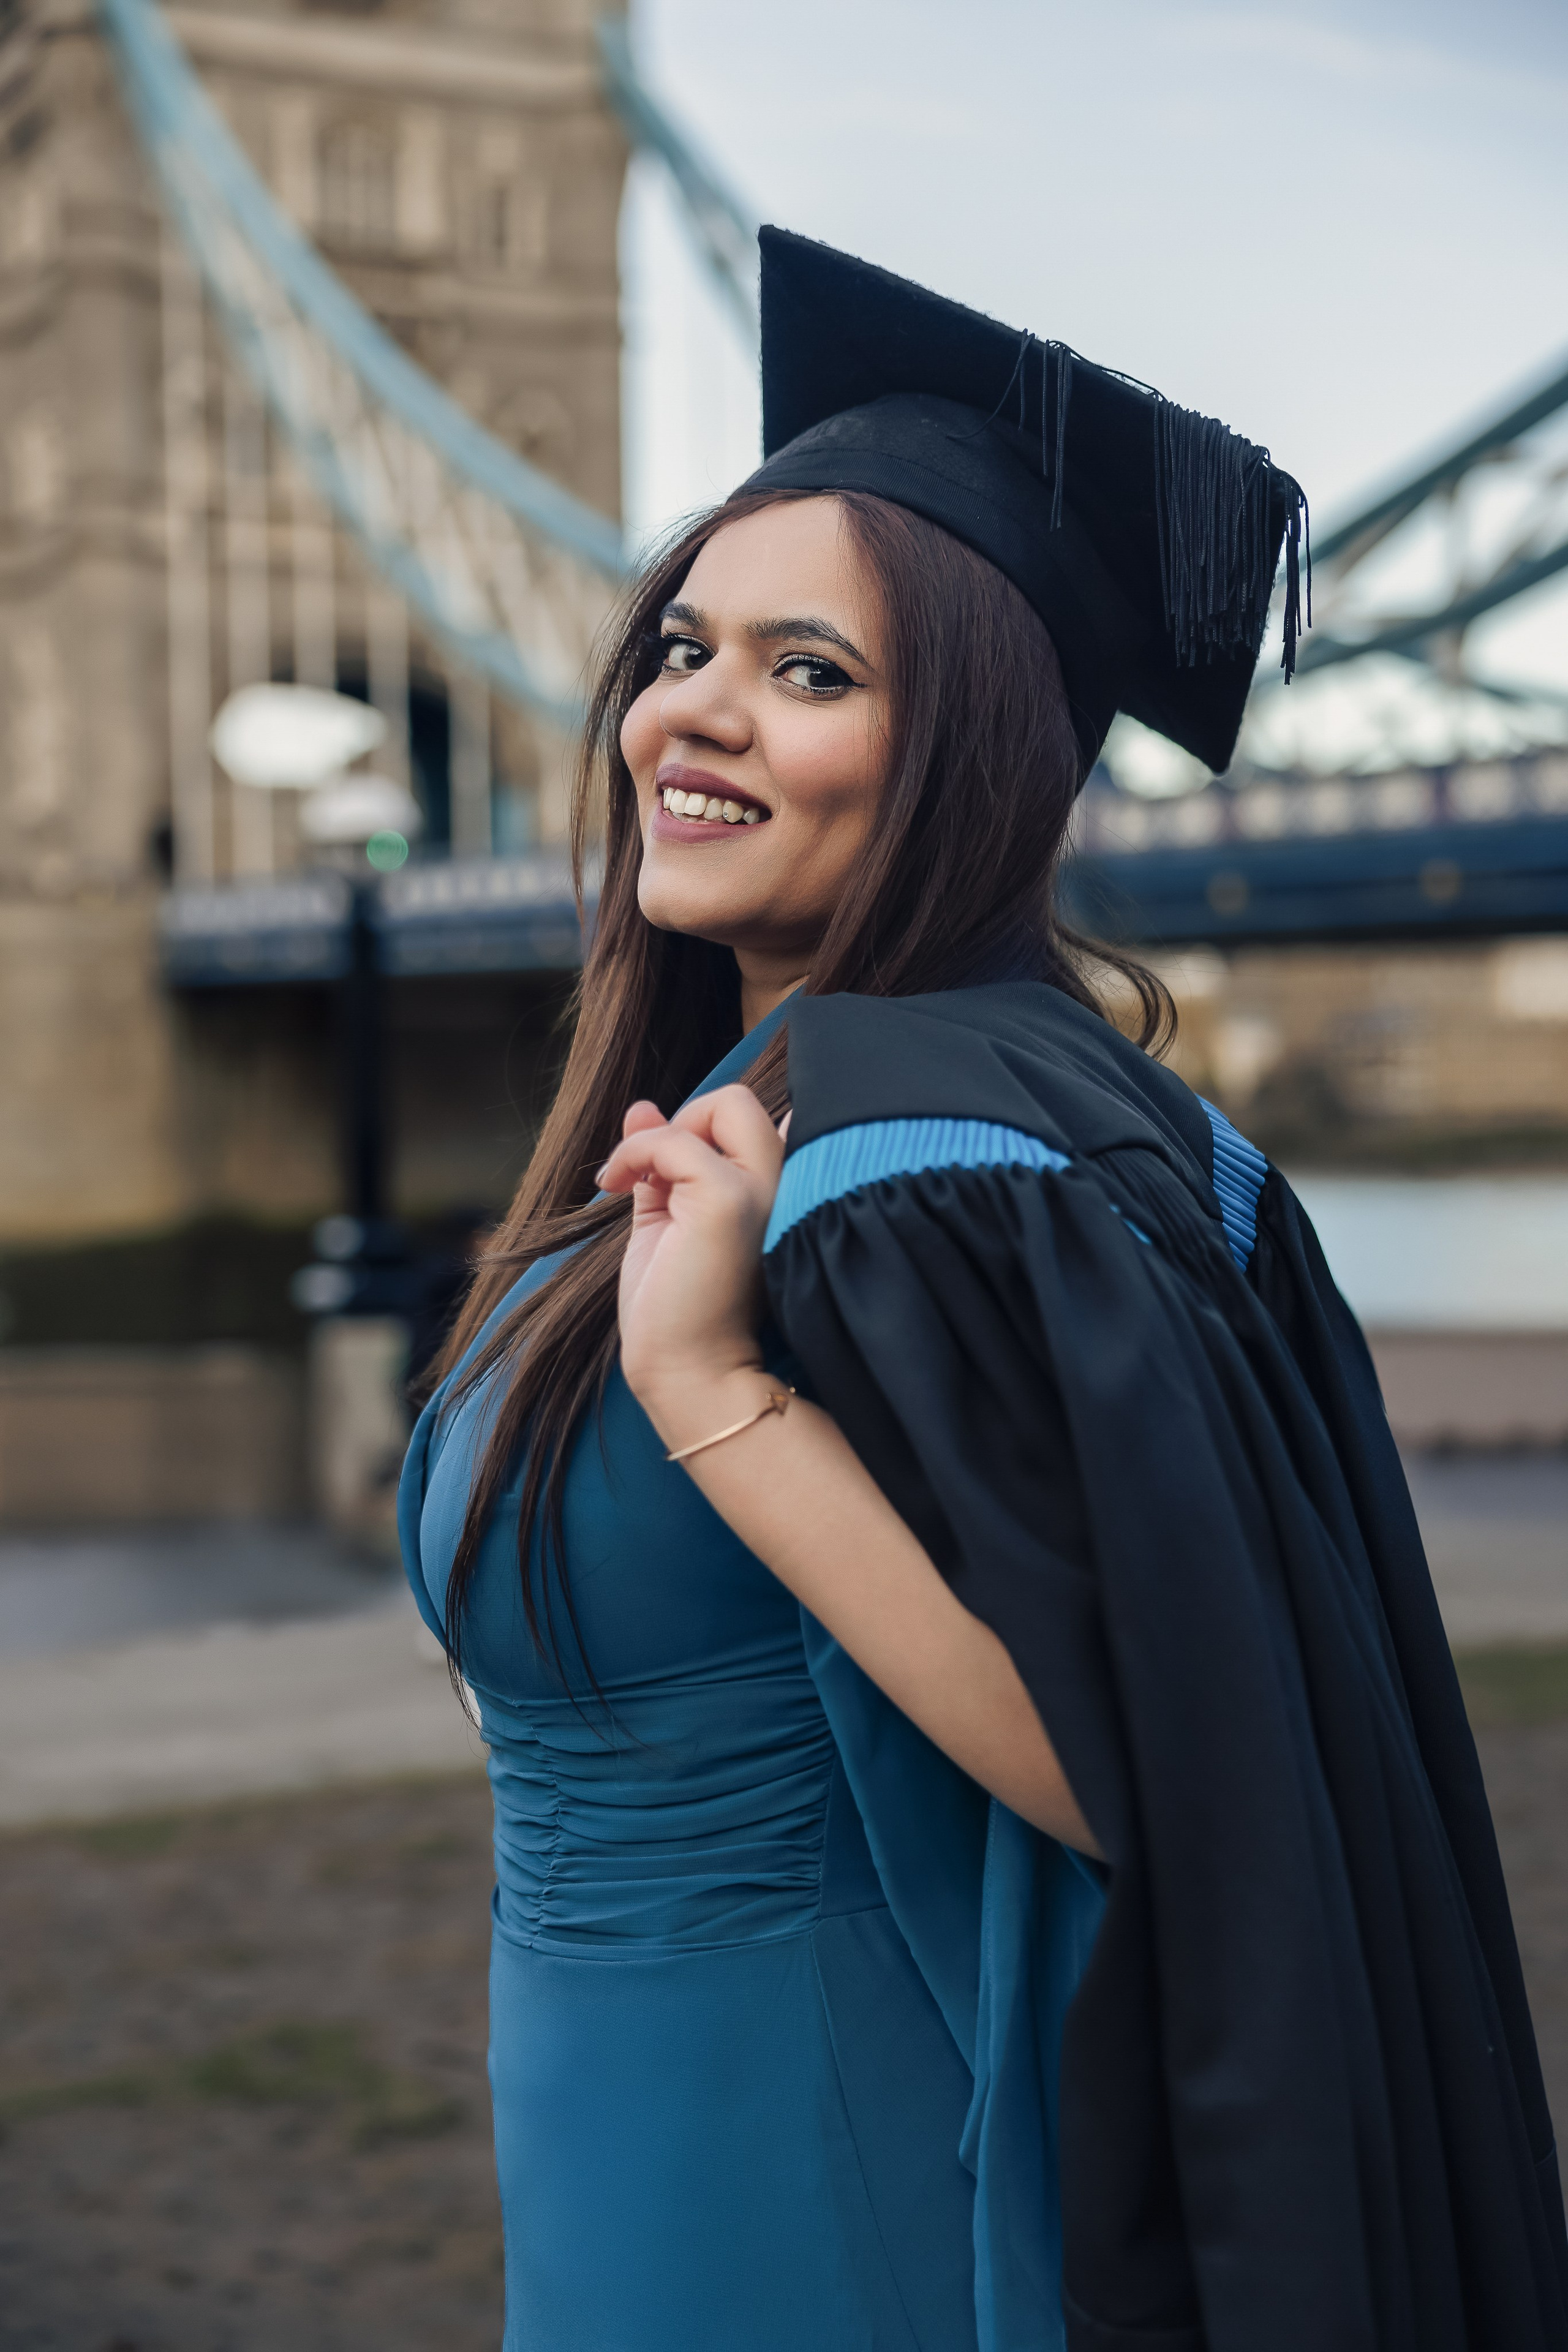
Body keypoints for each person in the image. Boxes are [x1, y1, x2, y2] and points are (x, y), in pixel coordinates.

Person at [399, 230, 1567, 2352]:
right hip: (618, 2136)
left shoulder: (925, 1161)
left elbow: (1155, 1761)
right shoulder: (742, 1128)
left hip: (829, 2177)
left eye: (812, 672)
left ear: (975, 754)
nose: (695, 710)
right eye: (686, 645)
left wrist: (711, 1391)